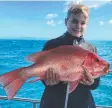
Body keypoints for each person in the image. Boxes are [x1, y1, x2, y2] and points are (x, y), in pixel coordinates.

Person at [40, 3, 100, 108]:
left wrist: (91, 82)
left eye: (83, 23)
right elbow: (42, 74)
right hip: (53, 103)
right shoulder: (51, 45)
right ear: (65, 22)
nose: (78, 26)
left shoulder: (91, 48)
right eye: (74, 21)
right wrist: (47, 81)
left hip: (83, 104)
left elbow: (96, 83)